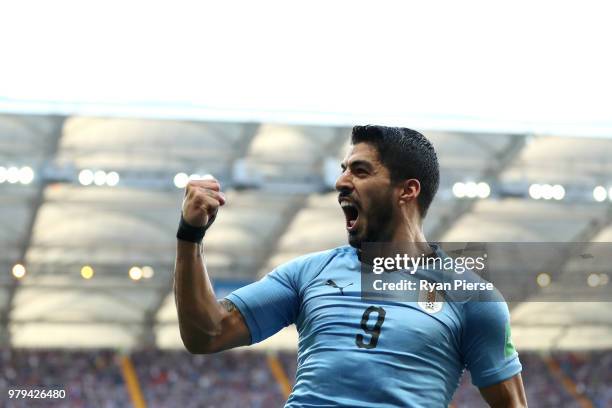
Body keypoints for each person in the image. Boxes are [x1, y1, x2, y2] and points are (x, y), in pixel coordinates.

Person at [174, 125, 527, 407]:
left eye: (360, 171)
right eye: (344, 170)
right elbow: (207, 333)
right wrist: (190, 235)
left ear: (407, 191)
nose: (341, 181)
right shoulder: (308, 273)